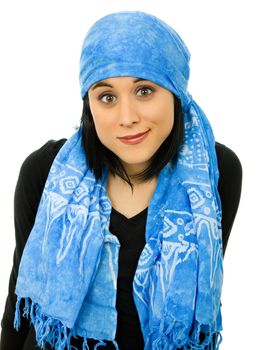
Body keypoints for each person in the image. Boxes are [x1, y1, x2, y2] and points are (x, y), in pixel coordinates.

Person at [0, 10, 242, 350]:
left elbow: (202, 294)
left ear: (176, 93)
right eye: (107, 97)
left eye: (144, 91)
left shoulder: (213, 173)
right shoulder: (44, 170)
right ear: (89, 104)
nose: (127, 118)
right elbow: (19, 305)